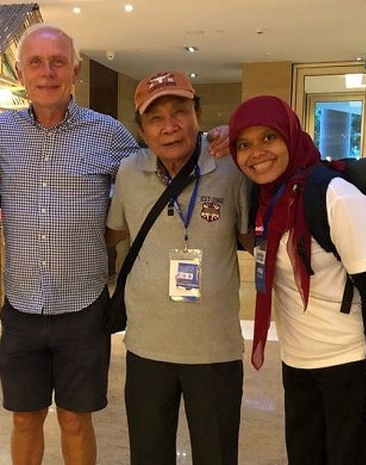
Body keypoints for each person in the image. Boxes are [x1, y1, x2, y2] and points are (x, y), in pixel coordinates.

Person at [0, 24, 229, 465]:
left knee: (77, 420)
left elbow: (165, 153)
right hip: (20, 308)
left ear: (75, 70)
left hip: (83, 308)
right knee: (25, 418)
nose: (47, 72)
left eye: (58, 62)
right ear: (21, 73)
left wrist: (218, 138)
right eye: (36, 63)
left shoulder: (110, 135)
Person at [228, 95, 366, 465]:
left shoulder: (335, 196)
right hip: (299, 362)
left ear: (291, 136)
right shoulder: (266, 198)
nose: (256, 153)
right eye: (243, 144)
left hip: (354, 362)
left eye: (268, 138)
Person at [106, 71, 252, 465]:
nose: (170, 127)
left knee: (217, 456)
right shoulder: (129, 173)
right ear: (141, 128)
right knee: (149, 455)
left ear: (198, 114)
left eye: (180, 112)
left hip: (215, 349)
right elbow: (112, 234)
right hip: (147, 346)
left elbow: (254, 240)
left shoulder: (230, 167)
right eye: (155, 118)